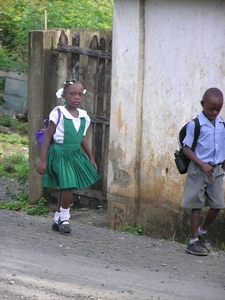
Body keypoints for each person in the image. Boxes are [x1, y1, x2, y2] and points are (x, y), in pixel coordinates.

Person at [37, 79, 100, 233]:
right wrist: (43, 160)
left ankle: (57, 218)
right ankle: (65, 217)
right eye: (72, 94)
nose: (76, 97)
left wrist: (90, 157)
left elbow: (82, 137)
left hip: (74, 154)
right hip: (60, 153)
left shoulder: (83, 116)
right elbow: (47, 137)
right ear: (64, 96)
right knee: (69, 185)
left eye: (80, 94)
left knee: (66, 185)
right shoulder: (58, 112)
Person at [181, 87, 225, 256]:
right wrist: (201, 164)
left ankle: (202, 231)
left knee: (217, 205)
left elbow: (222, 147)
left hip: (216, 170)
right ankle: (192, 241)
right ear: (202, 104)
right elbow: (186, 149)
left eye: (218, 109)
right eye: (211, 108)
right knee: (196, 206)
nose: (214, 112)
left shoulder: (222, 125)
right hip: (199, 170)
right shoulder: (195, 124)